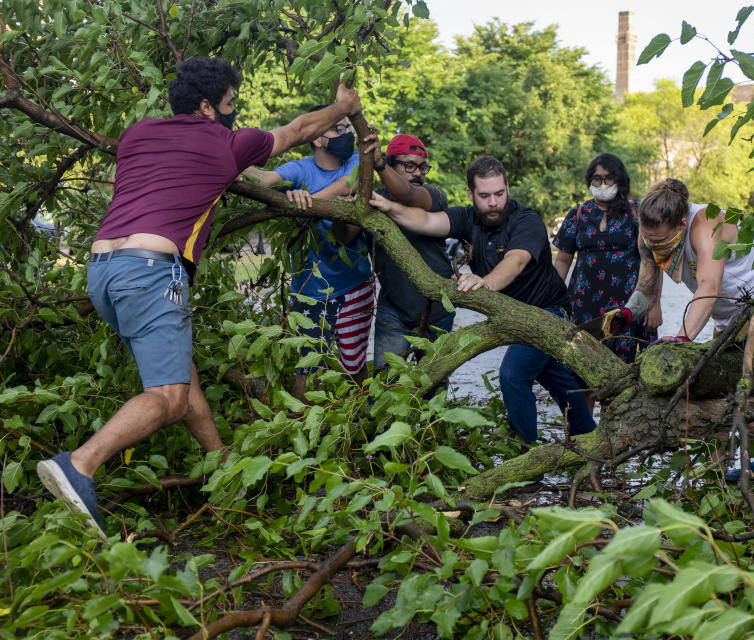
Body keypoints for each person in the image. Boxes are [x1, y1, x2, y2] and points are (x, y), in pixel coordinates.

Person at [35, 57, 363, 539]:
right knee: (167, 399)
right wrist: (342, 106)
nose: (235, 111)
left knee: (181, 385)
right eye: (231, 103)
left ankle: (224, 472)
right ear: (209, 106)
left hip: (103, 271)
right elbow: (294, 131)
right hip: (152, 273)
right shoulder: (227, 141)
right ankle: (79, 465)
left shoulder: (137, 134)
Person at [369, 155, 596, 444]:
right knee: (555, 377)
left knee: (514, 376)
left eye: (499, 194)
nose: (493, 203)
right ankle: (590, 438)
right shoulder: (467, 217)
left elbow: (515, 261)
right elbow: (426, 220)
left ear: (507, 189)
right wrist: (388, 206)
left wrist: (484, 282)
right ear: (471, 194)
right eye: (485, 195)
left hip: (547, 312)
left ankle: (524, 450)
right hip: (510, 314)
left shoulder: (526, 220)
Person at [631, 178, 754, 482]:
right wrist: (625, 313)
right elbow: (645, 289)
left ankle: (724, 468)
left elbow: (709, 287)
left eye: (662, 242)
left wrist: (681, 339)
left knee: (725, 389)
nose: (654, 248)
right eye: (649, 240)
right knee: (725, 390)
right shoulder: (648, 229)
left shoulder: (706, 224)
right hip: (728, 317)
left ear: (681, 224)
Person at [243, 105, 374, 397]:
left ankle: (361, 421)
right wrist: (228, 156)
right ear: (316, 137)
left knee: (354, 364)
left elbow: (345, 185)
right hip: (310, 290)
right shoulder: (299, 169)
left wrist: (304, 203)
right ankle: (302, 427)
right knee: (309, 367)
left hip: (354, 285)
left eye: (348, 129)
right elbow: (263, 180)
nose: (346, 134)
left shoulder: (356, 161)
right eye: (338, 128)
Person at [339, 132, 454, 369]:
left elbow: (408, 195)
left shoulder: (434, 195)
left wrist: (378, 162)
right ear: (391, 166)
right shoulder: (372, 199)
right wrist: (348, 204)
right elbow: (343, 236)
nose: (419, 173)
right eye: (409, 166)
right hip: (394, 308)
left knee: (433, 383)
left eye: (423, 167)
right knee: (385, 382)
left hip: (438, 308)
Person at [553, 153, 662, 369]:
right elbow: (563, 261)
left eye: (608, 178)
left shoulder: (637, 212)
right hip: (583, 308)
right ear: (589, 181)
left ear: (619, 180)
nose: (602, 184)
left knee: (625, 373)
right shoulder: (578, 213)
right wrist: (554, 302)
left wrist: (654, 304)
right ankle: (581, 405)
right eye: (597, 178)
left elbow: (653, 262)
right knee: (582, 371)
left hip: (629, 307)